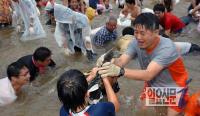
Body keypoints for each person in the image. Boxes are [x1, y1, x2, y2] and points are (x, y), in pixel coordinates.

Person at [97, 13, 189, 116]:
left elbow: (148, 74)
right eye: (136, 32)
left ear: (156, 32)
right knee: (143, 112)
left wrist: (120, 71)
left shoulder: (167, 48)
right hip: (153, 85)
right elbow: (122, 61)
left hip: (175, 88)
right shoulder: (135, 42)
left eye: (142, 33)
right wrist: (109, 60)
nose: (138, 37)